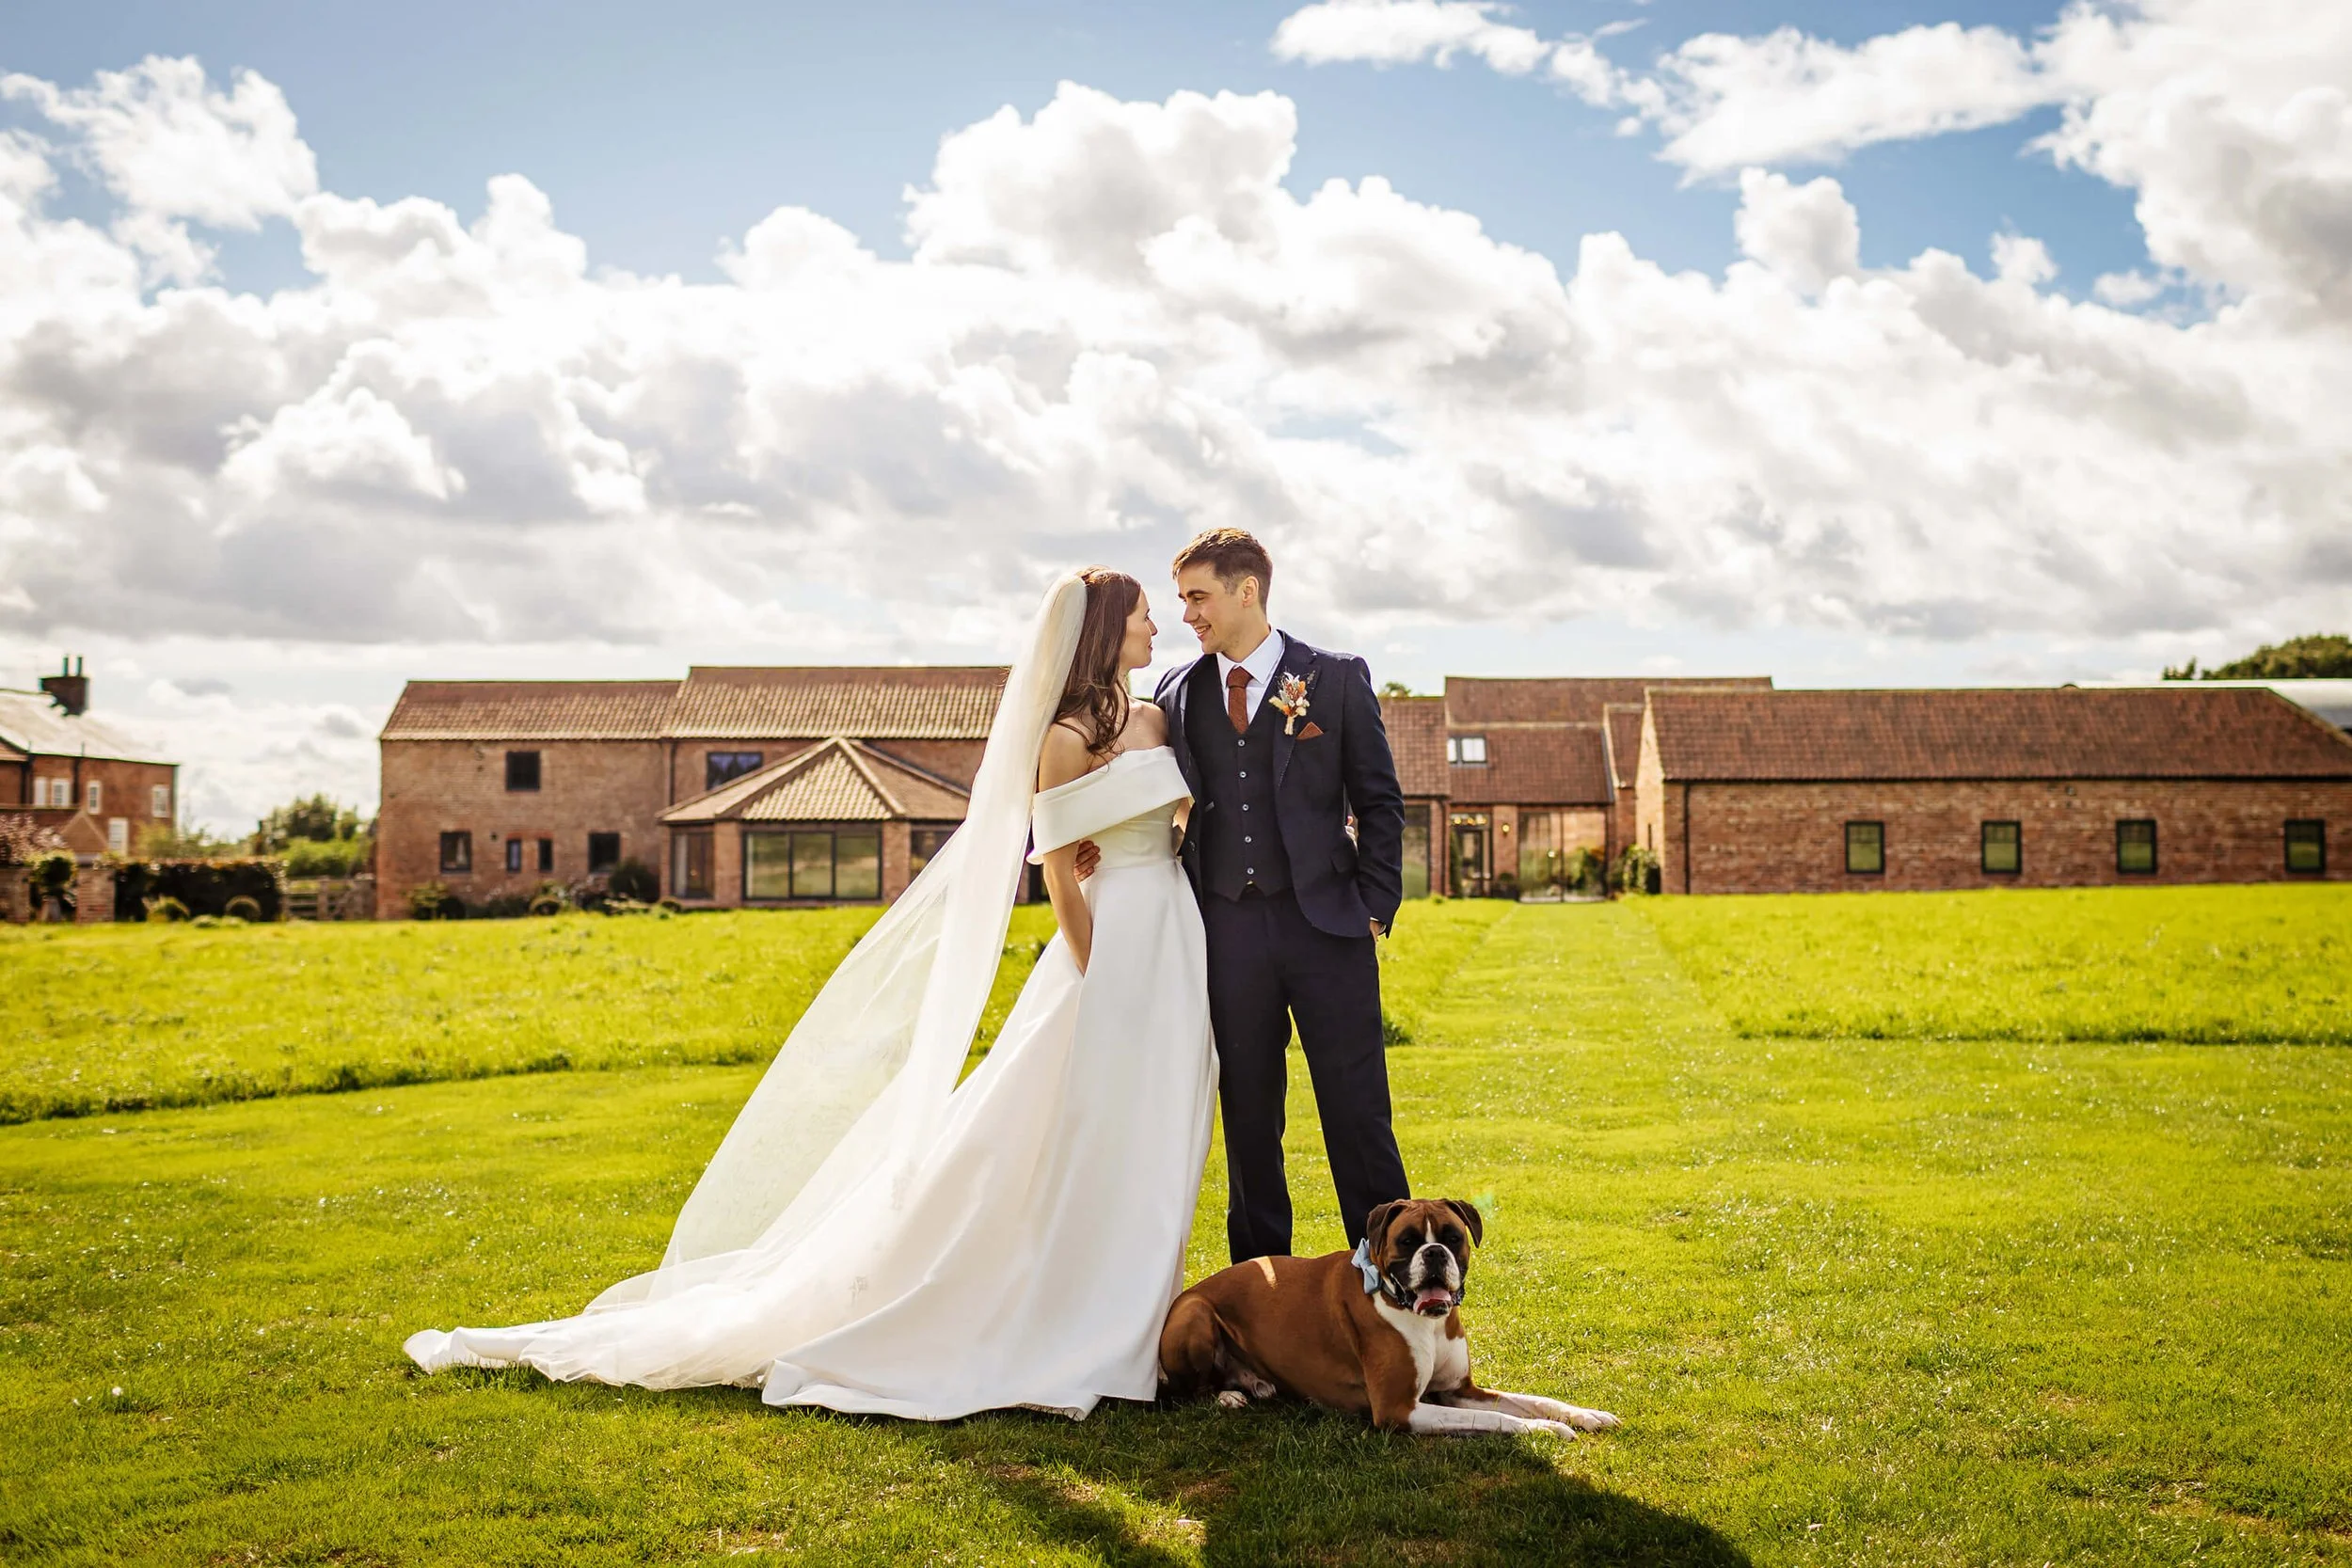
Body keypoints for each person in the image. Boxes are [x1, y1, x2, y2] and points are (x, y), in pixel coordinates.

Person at [405, 569, 1216, 1421]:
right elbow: (1057, 869)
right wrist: (1100, 972)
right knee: (1070, 1132)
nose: (1156, 628)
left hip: (1175, 933)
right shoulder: (1061, 738)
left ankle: (1136, 1317)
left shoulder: (1159, 718)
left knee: (1158, 1128)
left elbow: (1178, 816)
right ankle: (1075, 1322)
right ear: (1102, 631)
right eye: (1142, 616)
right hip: (1109, 950)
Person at [1151, 528, 1411, 1264]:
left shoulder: (1332, 677)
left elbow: (1382, 802)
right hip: (1228, 934)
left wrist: (1372, 905)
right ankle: (1261, 1293)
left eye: (1198, 597)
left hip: (1328, 930)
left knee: (1357, 1113)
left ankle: (1386, 1284)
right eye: (1182, 601)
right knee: (1250, 1118)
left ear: (1247, 590)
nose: (1188, 615)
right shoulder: (1177, 690)